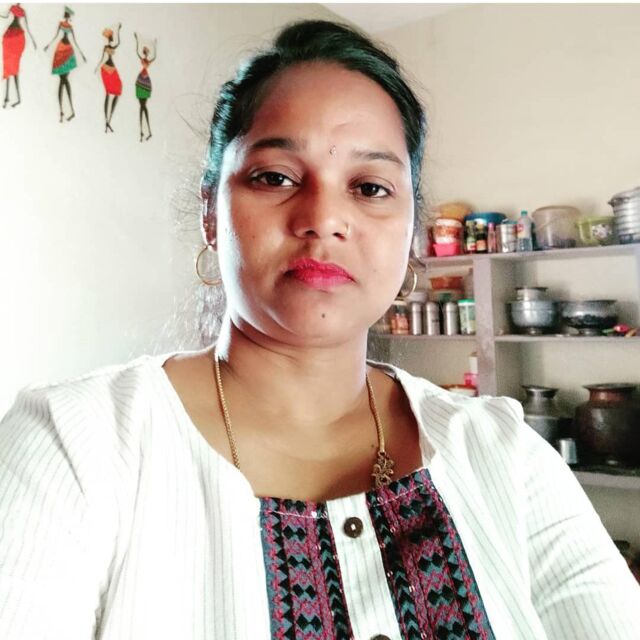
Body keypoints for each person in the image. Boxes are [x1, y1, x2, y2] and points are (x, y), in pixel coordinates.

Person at [1, 19, 639, 640]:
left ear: (411, 232)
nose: (324, 217)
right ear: (211, 214)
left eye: (370, 187)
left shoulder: (506, 456)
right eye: (275, 177)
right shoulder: (74, 445)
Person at [43, 5, 86, 123]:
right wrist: (48, 45)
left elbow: (74, 41)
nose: (66, 17)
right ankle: (66, 109)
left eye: (67, 15)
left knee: (63, 81)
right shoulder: (62, 24)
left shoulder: (69, 26)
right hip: (62, 50)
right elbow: (56, 36)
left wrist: (81, 54)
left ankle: (63, 110)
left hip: (67, 51)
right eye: (66, 15)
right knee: (64, 81)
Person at [1, 2, 36, 108]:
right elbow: (6, 17)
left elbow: (26, 26)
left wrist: (33, 40)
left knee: (12, 68)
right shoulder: (18, 10)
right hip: (12, 36)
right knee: (9, 67)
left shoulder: (17, 9)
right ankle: (9, 97)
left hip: (14, 36)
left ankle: (11, 97)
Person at [95, 24, 122, 133]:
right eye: (110, 37)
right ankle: (107, 120)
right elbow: (103, 58)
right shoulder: (106, 47)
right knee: (109, 92)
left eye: (111, 37)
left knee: (118, 90)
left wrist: (118, 30)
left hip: (111, 68)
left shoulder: (110, 47)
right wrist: (98, 68)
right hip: (107, 69)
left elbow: (117, 43)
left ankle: (108, 120)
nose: (111, 38)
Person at [134, 32, 156, 142]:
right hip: (141, 81)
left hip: (144, 82)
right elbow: (137, 52)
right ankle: (144, 131)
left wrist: (155, 45)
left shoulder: (147, 61)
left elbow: (154, 57)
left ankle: (144, 131)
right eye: (145, 52)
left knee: (143, 106)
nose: (145, 53)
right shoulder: (143, 60)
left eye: (146, 52)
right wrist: (137, 40)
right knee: (142, 106)